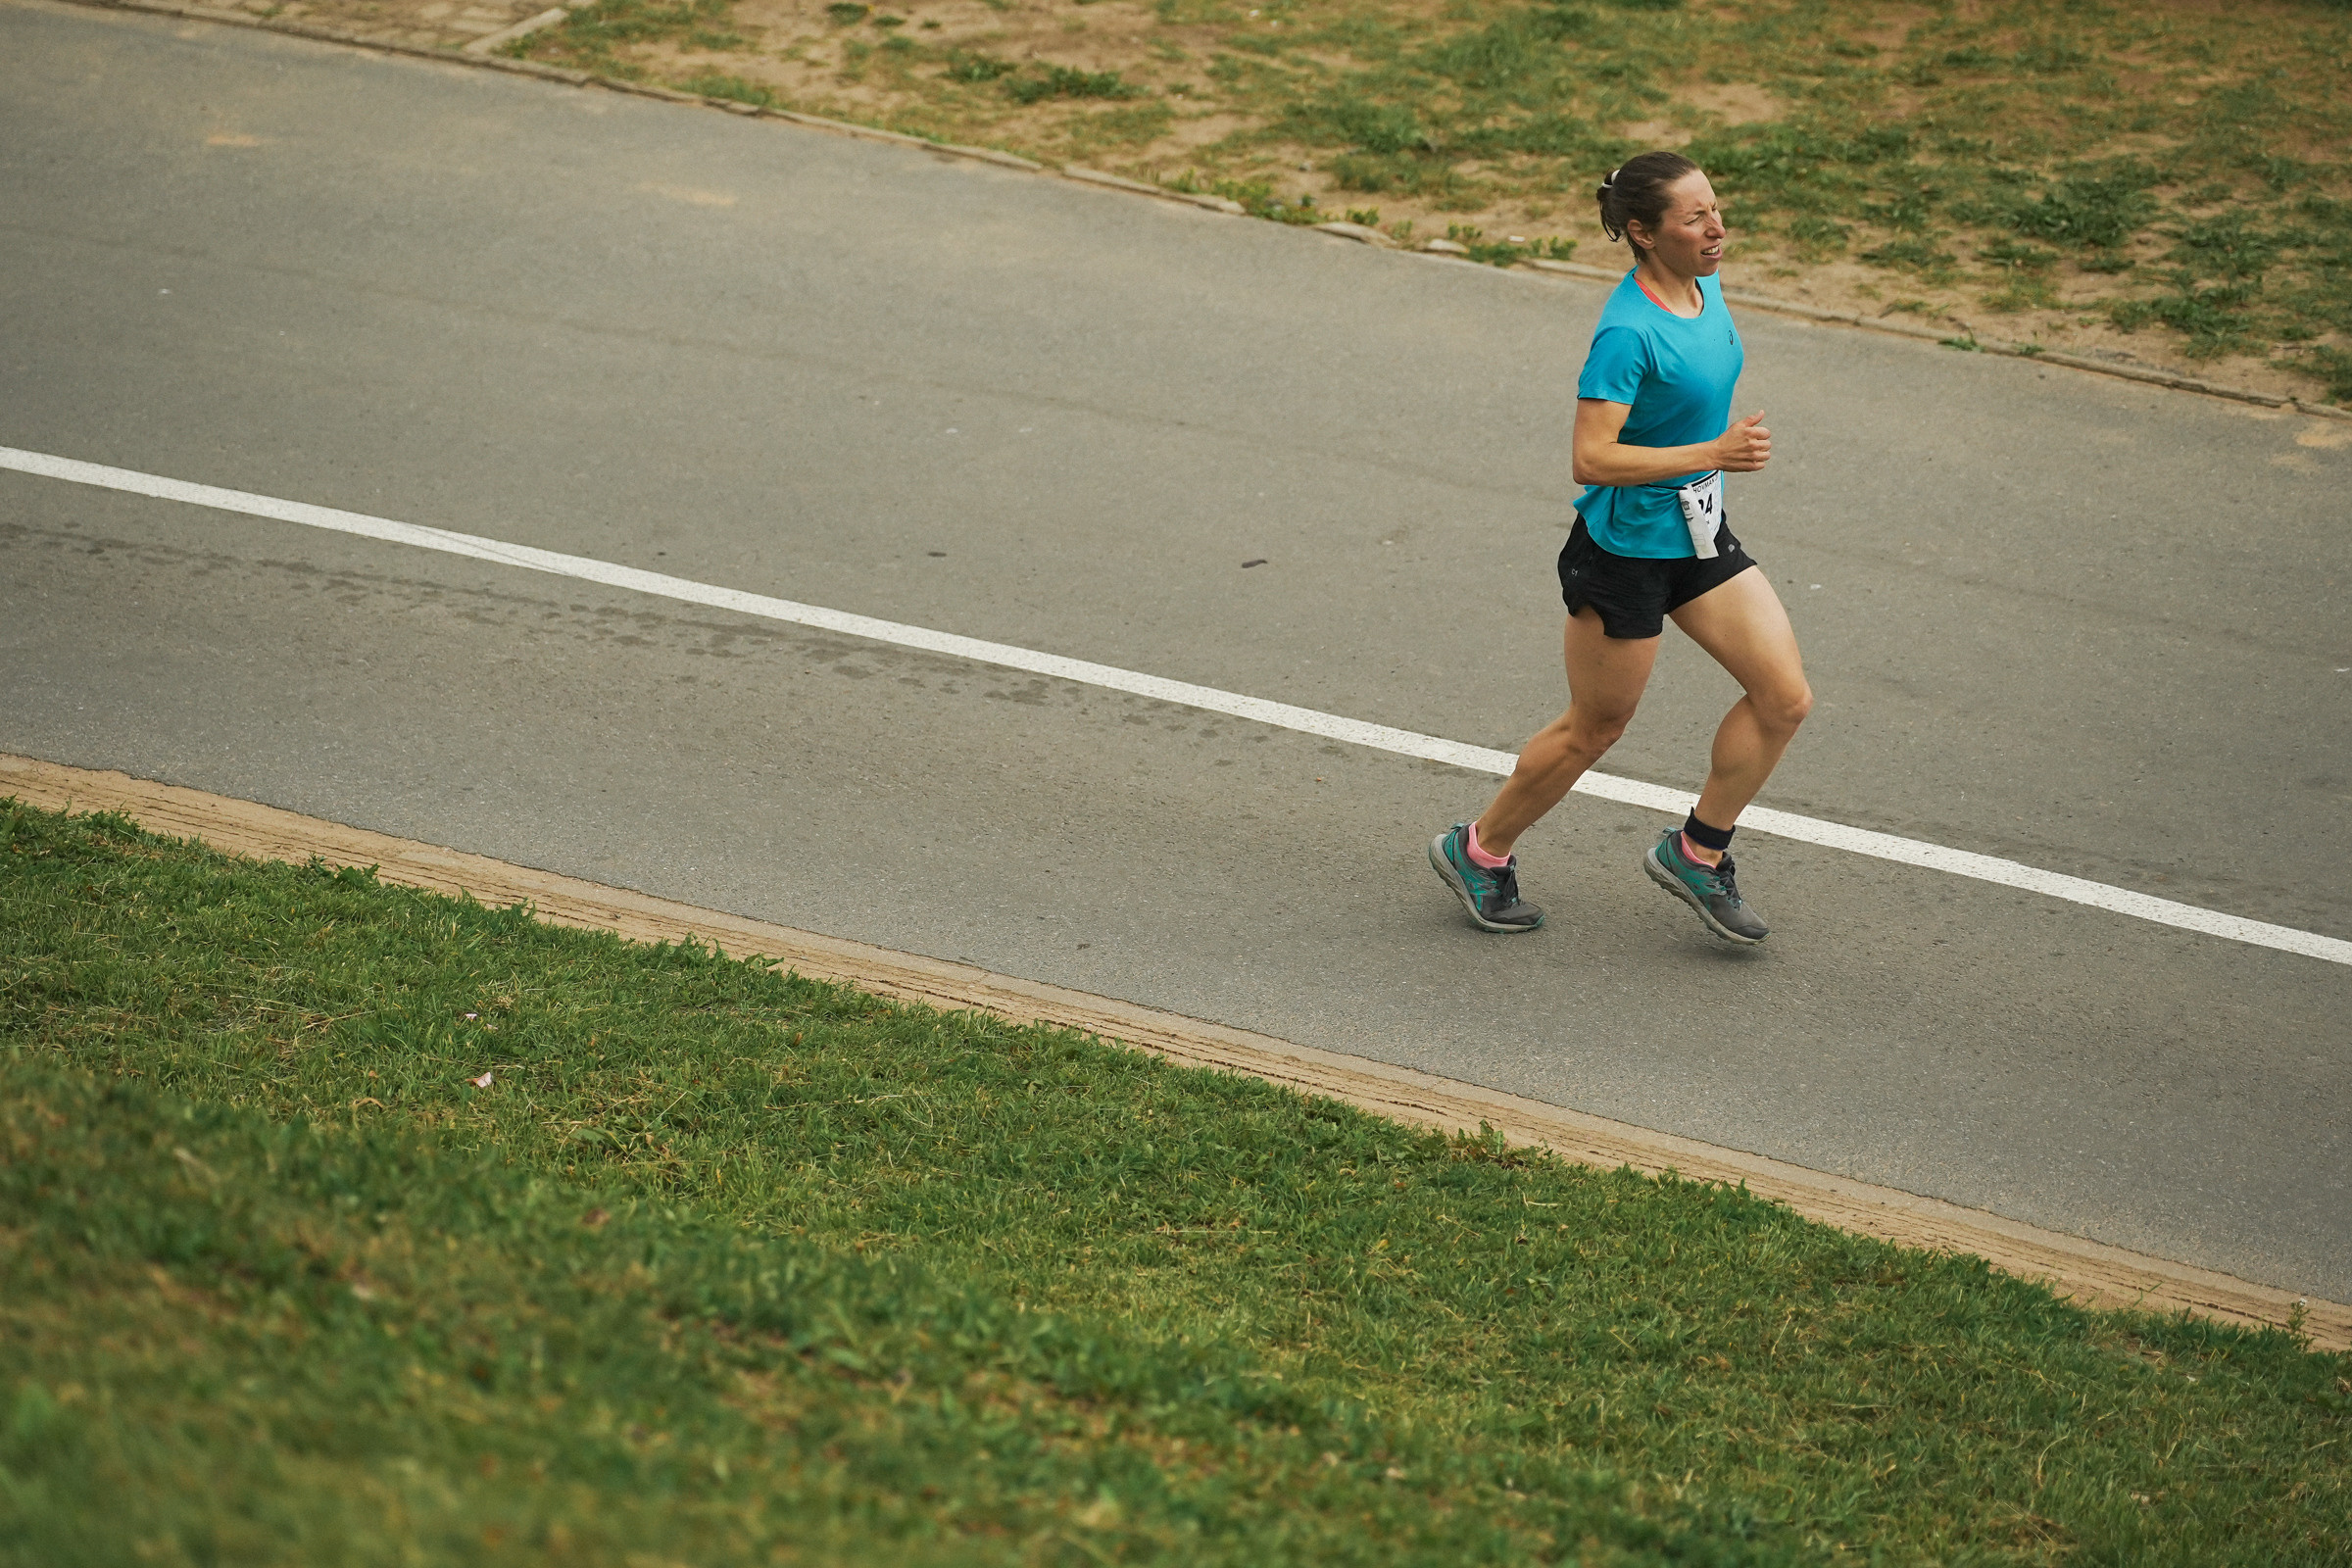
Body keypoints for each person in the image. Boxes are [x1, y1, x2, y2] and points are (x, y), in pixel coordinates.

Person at [1429, 151, 1812, 946]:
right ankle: (1478, 850)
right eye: (1693, 218)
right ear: (1642, 232)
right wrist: (1713, 451)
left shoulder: (1702, 287)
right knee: (1595, 730)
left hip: (1697, 534)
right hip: (1624, 552)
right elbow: (1591, 458)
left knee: (1783, 698)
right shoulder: (1626, 331)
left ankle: (1698, 853)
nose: (1716, 228)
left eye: (1715, 208)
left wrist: (1706, 461)